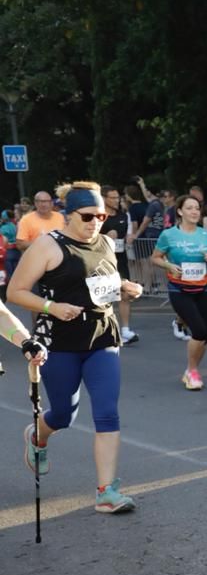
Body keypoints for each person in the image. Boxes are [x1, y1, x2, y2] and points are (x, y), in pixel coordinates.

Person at [7, 181, 142, 513]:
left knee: (107, 411)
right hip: (61, 343)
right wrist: (53, 308)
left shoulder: (107, 243)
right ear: (68, 215)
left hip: (102, 339)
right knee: (63, 414)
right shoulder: (47, 246)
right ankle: (37, 437)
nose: (95, 222)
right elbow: (15, 292)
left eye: (101, 215)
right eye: (87, 216)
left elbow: (105, 284)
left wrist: (126, 288)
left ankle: (106, 492)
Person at [150, 195, 207, 390]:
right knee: (199, 331)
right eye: (190, 208)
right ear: (180, 211)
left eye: (197, 208)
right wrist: (169, 265)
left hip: (205, 289)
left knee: (205, 336)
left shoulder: (206, 235)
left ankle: (191, 371)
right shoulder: (169, 235)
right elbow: (155, 258)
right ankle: (192, 370)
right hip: (179, 289)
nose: (194, 212)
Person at [98, 186, 139, 345]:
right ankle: (105, 330)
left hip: (120, 261)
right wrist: (106, 238)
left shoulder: (124, 215)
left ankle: (126, 330)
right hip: (102, 263)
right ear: (104, 198)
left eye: (117, 197)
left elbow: (128, 233)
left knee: (125, 295)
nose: (116, 200)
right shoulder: (98, 217)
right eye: (113, 198)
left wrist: (130, 237)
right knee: (105, 299)